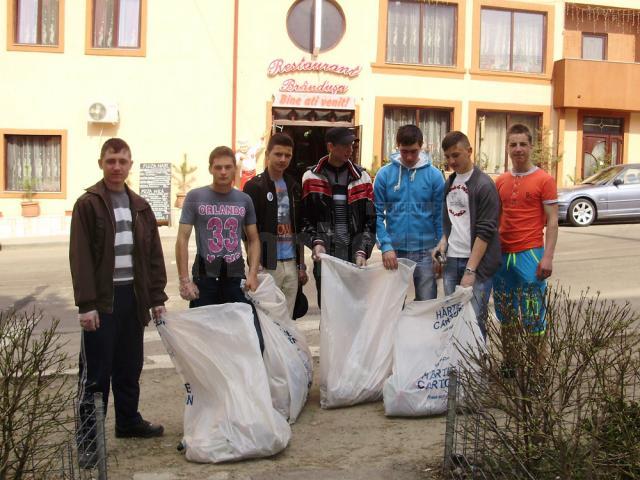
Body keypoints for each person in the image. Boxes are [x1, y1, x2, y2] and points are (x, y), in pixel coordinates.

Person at [70, 138, 167, 467]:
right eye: (110, 160)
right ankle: (87, 440)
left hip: (132, 300)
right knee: (95, 374)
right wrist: (86, 305)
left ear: (130, 165)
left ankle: (128, 422)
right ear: (101, 163)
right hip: (102, 303)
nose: (116, 167)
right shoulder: (88, 204)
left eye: (122, 161)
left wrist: (156, 298)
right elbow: (80, 258)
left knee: (129, 368)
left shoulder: (140, 206)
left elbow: (153, 256)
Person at [175, 146, 264, 351]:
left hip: (235, 275)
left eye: (228, 167)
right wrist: (184, 281)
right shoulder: (195, 197)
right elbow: (182, 238)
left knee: (246, 335)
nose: (223, 172)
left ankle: (241, 380)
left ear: (235, 169)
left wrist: (252, 274)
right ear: (210, 169)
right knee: (204, 338)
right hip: (205, 276)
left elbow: (253, 239)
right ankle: (206, 382)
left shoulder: (244, 200)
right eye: (218, 167)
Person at [492, 124, 558, 367]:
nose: (518, 149)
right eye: (513, 144)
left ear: (531, 146)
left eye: (522, 144)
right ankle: (509, 363)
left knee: (533, 317)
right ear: (507, 148)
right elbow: (495, 218)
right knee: (506, 314)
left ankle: (536, 371)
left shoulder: (544, 180)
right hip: (503, 258)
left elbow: (552, 222)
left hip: (530, 254)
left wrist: (547, 257)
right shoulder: (500, 181)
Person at [432, 131, 501, 340]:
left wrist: (471, 269)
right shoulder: (450, 182)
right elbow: (450, 220)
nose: (451, 161)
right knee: (453, 320)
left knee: (475, 321)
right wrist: (443, 243)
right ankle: (457, 369)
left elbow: (485, 231)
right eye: (447, 157)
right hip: (452, 260)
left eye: (456, 155)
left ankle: (478, 370)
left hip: (477, 265)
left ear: (469, 151)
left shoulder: (484, 185)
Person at [301, 127, 376, 306]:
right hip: (326, 256)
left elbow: (371, 220)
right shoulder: (310, 177)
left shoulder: (363, 177)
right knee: (328, 310)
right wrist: (316, 242)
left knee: (353, 309)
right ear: (331, 147)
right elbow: (304, 219)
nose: (350, 149)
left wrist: (362, 250)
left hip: (354, 256)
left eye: (352, 145)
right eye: (345, 145)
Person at [374, 124, 444, 300]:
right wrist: (386, 246)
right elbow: (375, 214)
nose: (409, 156)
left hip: (427, 251)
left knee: (426, 306)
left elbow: (440, 216)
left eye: (414, 151)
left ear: (421, 146)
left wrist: (440, 250)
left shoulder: (434, 176)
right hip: (394, 251)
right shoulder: (384, 175)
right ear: (397, 145)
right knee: (393, 307)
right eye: (404, 151)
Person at [243, 133, 308, 318]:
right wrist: (255, 266)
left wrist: (301, 265)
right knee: (267, 319)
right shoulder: (254, 187)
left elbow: (299, 228)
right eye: (278, 154)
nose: (283, 159)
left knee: (287, 320)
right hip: (267, 264)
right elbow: (247, 232)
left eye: (287, 155)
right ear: (267, 154)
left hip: (291, 263)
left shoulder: (294, 185)